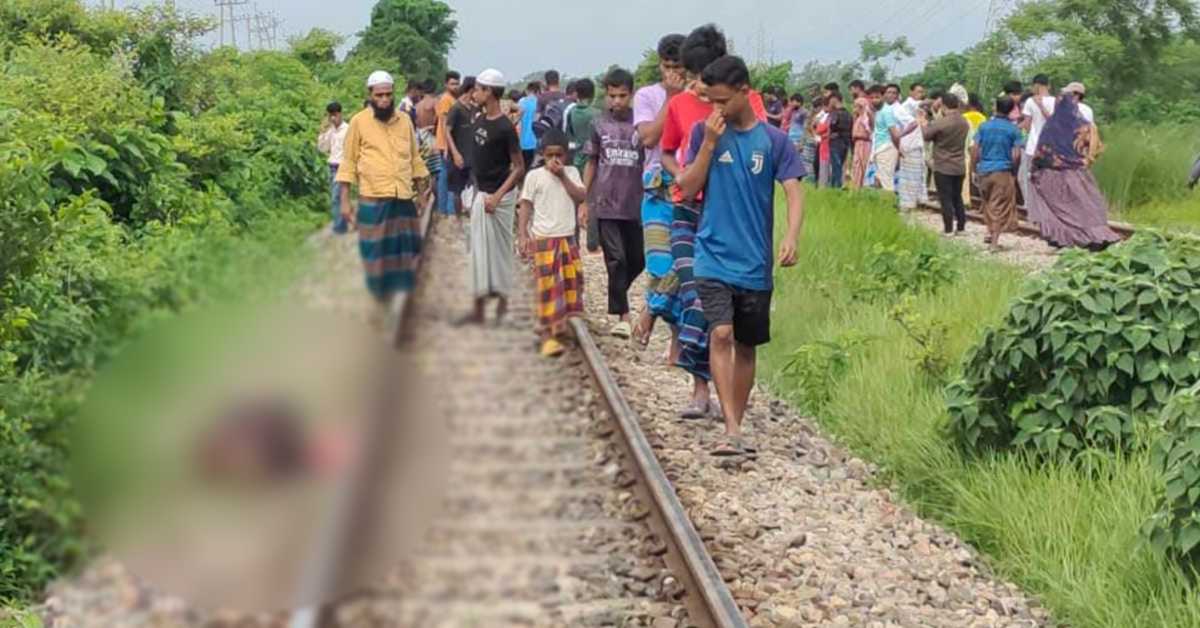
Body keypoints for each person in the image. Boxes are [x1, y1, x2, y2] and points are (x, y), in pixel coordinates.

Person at [675, 55, 804, 457]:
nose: (716, 109)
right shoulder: (703, 134)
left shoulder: (774, 141)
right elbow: (688, 186)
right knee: (721, 333)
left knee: (747, 345)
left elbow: (794, 192)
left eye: (723, 101)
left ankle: (737, 420)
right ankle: (731, 428)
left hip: (754, 261)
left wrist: (792, 236)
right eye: (711, 101)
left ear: (744, 93)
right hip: (711, 254)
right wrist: (710, 144)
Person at [657, 23, 768, 419]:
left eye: (701, 76)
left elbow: (762, 149)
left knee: (731, 317)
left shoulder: (746, 100)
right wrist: (683, 172)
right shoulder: (681, 106)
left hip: (731, 217)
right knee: (696, 299)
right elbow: (667, 151)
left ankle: (731, 400)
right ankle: (700, 388)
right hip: (689, 211)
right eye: (692, 76)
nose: (697, 86)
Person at [335, 71, 431, 316]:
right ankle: (378, 298)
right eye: (380, 95)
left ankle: (401, 300)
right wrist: (345, 202)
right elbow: (348, 163)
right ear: (370, 96)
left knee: (404, 251)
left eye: (389, 94)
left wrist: (421, 193)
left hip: (402, 196)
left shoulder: (404, 122)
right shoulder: (358, 122)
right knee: (375, 251)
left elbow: (415, 158)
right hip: (373, 196)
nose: (385, 99)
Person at [631, 32, 686, 352]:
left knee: (686, 265)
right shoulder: (648, 97)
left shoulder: (700, 97)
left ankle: (656, 315)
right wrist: (672, 98)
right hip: (657, 191)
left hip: (691, 189)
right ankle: (653, 313)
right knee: (661, 264)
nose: (672, 73)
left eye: (678, 67)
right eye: (667, 66)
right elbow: (649, 138)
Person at [581, 68, 646, 339]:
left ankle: (616, 292)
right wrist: (585, 200)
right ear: (606, 96)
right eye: (612, 96)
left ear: (631, 95)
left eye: (622, 96)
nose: (617, 101)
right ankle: (623, 315)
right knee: (616, 259)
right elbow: (592, 161)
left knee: (638, 259)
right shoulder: (598, 124)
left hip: (636, 202)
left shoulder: (642, 124)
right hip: (606, 202)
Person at [461, 68, 526, 325]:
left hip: (499, 198)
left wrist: (498, 196)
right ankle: (477, 309)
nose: (474, 93)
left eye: (478, 88)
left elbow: (519, 167)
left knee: (499, 253)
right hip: (481, 193)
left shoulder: (504, 128)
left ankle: (501, 307)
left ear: (489, 92)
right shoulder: (478, 118)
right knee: (477, 252)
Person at [516, 129, 587, 357]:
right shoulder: (534, 176)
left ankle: (562, 325)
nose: (554, 160)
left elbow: (581, 196)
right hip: (544, 239)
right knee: (547, 288)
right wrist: (522, 234)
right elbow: (525, 205)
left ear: (566, 155)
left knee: (570, 283)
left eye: (559, 155)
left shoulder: (572, 173)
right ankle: (548, 335)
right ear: (542, 155)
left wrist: (563, 176)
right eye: (549, 156)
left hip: (567, 237)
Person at [1030, 91, 1121, 250]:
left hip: (1052, 174)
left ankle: (1064, 239)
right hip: (1078, 173)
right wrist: (1086, 160)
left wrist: (1034, 169)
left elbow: (1041, 151)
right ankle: (1097, 237)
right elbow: (1097, 148)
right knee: (1086, 205)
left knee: (1059, 209)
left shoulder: (1051, 125)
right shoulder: (1085, 126)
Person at [972, 97, 1024, 252]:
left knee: (987, 204)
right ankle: (994, 242)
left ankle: (989, 232)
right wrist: (1014, 171)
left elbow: (975, 149)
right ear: (1010, 110)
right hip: (1002, 170)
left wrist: (974, 168)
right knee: (999, 206)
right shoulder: (1014, 130)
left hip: (984, 169)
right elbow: (1016, 155)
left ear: (996, 108)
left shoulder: (984, 126)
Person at [921, 92, 970, 234]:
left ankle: (948, 229)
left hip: (943, 165)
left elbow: (926, 136)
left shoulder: (941, 122)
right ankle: (961, 227)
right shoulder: (963, 121)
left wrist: (924, 123)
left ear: (943, 105)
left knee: (945, 198)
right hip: (959, 165)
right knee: (957, 197)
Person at [1020, 74, 1055, 222]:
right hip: (1050, 148)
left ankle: (1032, 212)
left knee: (1028, 179)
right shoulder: (1056, 101)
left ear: (1036, 85)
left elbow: (1027, 126)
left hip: (1033, 147)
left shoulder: (1030, 101)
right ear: (1048, 85)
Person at [444, 76, 478, 216]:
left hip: (473, 156)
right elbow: (447, 131)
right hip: (459, 156)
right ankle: (458, 218)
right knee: (457, 190)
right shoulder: (456, 109)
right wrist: (455, 153)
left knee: (476, 185)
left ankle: (472, 214)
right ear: (471, 90)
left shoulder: (473, 109)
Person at [317, 101, 349, 234]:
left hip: (343, 167)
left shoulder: (348, 129)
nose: (333, 118)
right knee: (339, 197)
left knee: (336, 197)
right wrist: (322, 133)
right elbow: (322, 149)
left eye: (335, 115)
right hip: (332, 167)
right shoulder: (330, 131)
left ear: (340, 114)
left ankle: (339, 227)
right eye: (330, 115)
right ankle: (343, 224)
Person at [434, 71, 462, 215]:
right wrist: (446, 147)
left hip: (450, 144)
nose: (455, 86)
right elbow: (445, 124)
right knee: (446, 177)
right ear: (446, 84)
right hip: (446, 144)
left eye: (457, 83)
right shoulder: (446, 99)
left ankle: (445, 209)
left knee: (447, 176)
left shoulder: (453, 99)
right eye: (452, 83)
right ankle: (445, 209)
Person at [871, 83, 901, 194]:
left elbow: (894, 133)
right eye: (872, 98)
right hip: (880, 148)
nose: (874, 100)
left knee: (886, 181)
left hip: (887, 148)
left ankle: (889, 207)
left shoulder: (887, 111)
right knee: (879, 179)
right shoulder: (878, 112)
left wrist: (899, 150)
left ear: (883, 97)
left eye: (877, 97)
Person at [850, 89, 875, 189]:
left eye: (856, 106)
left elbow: (870, 132)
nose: (854, 108)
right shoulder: (858, 118)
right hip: (857, 144)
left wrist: (859, 136)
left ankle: (861, 186)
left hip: (864, 144)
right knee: (856, 165)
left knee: (862, 164)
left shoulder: (866, 118)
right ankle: (856, 186)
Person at [827, 91, 852, 189]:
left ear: (834, 99)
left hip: (836, 142)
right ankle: (836, 187)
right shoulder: (848, 114)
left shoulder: (835, 114)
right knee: (840, 165)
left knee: (836, 167)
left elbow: (831, 126)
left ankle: (835, 187)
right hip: (846, 142)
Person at [518, 81, 542, 169]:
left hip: (523, 141)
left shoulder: (521, 102)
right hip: (536, 141)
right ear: (538, 91)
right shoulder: (539, 103)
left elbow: (518, 120)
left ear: (527, 90)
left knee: (523, 167)